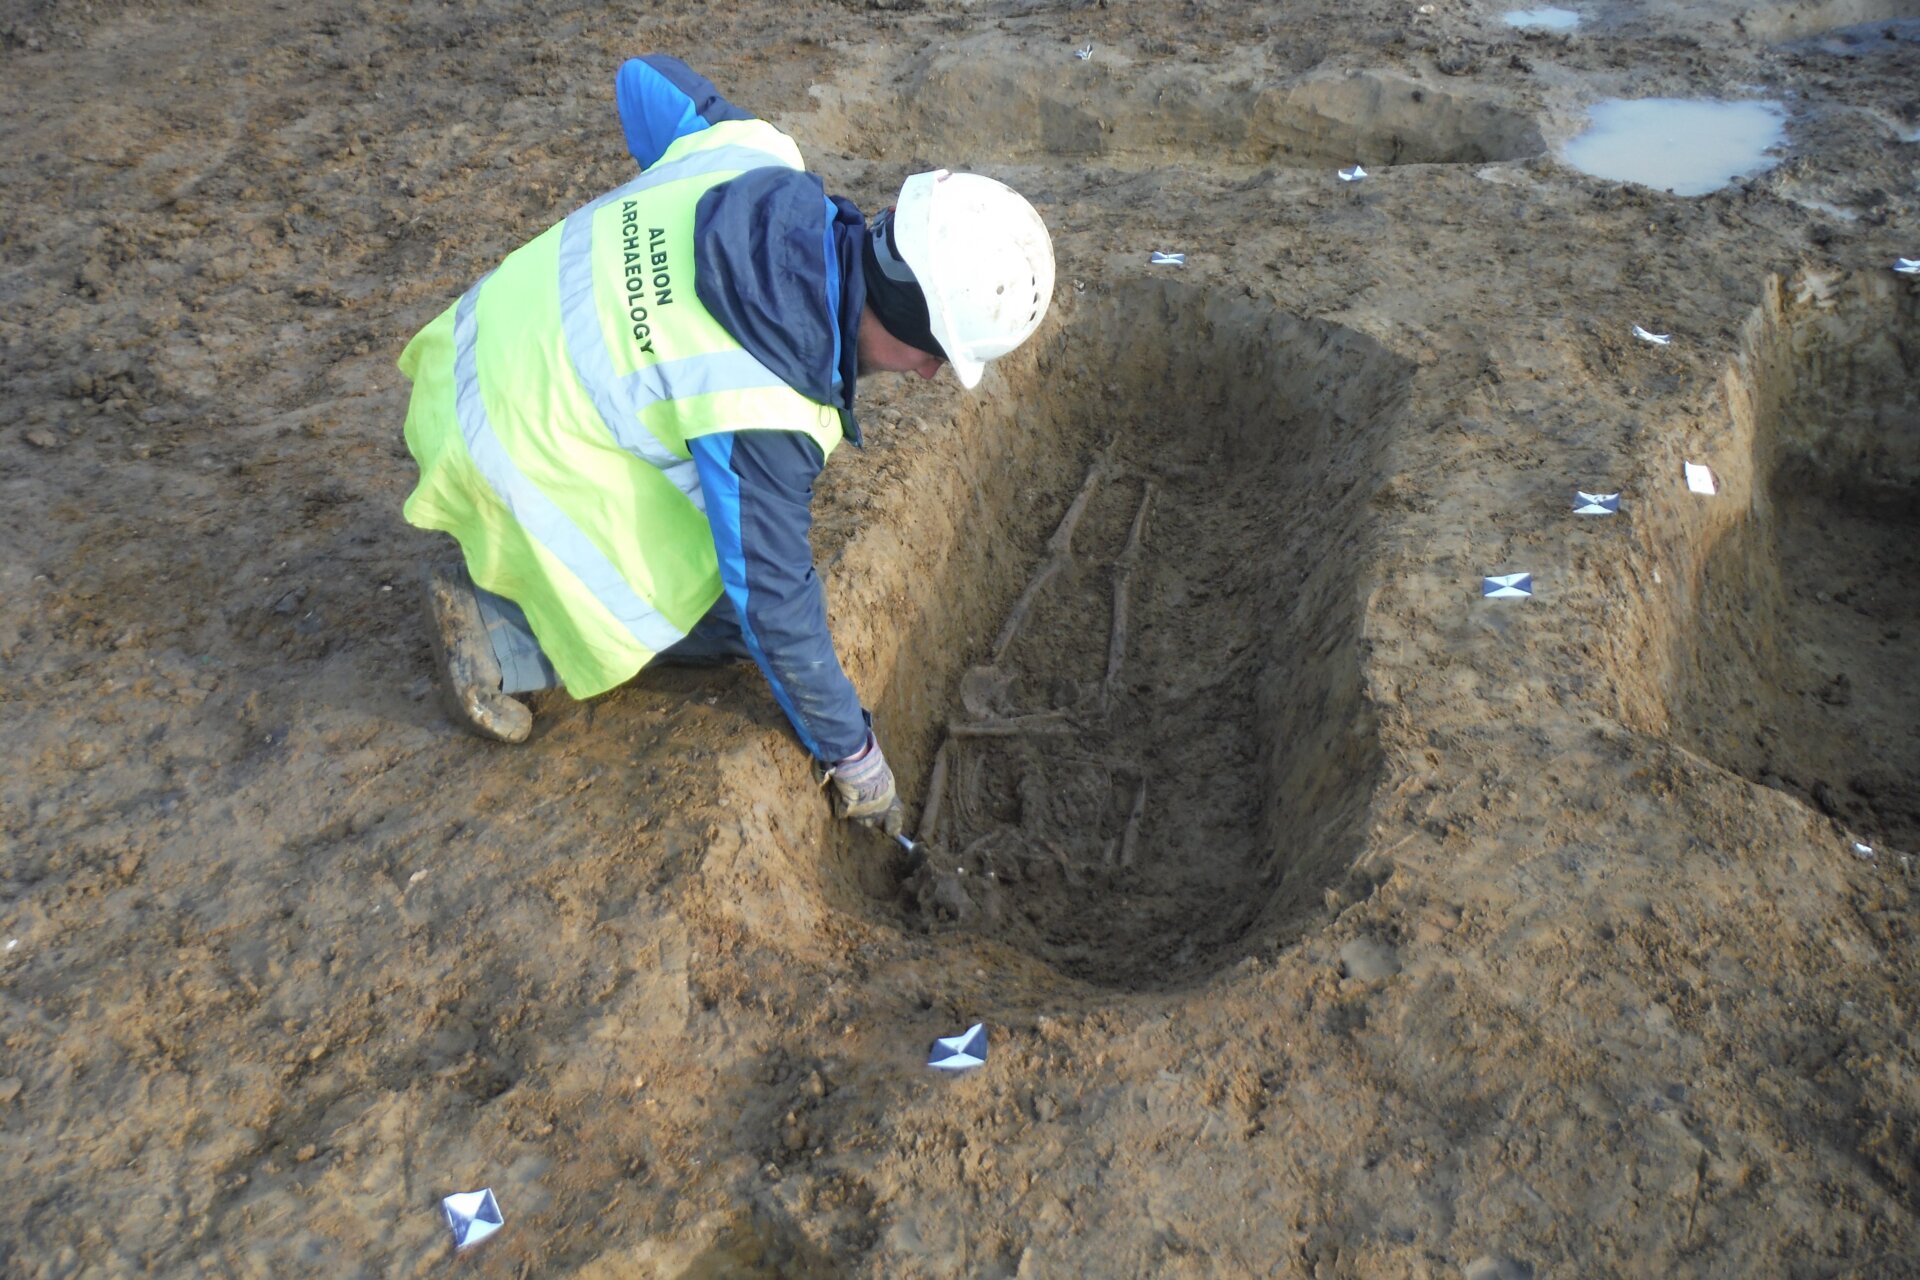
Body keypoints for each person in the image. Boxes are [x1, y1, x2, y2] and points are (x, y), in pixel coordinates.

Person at [396, 55, 1054, 836]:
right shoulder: (765, 404)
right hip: (506, 466)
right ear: (914, 331)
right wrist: (855, 757)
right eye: (937, 359)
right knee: (729, 609)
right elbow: (775, 606)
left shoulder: (749, 156)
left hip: (456, 369)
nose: (927, 379)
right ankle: (506, 635)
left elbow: (644, 78)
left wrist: (656, 231)